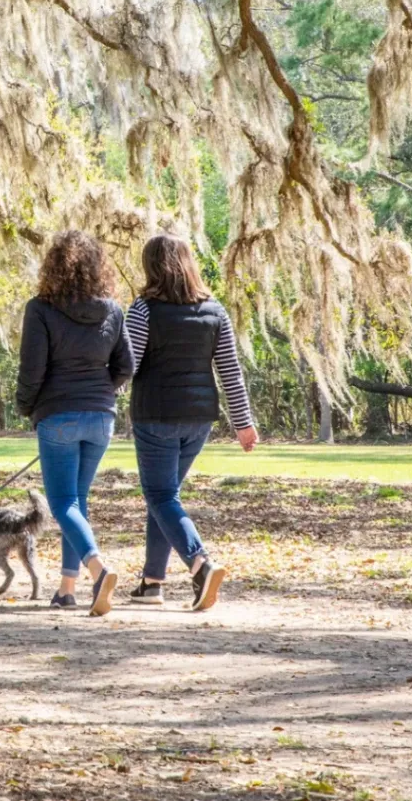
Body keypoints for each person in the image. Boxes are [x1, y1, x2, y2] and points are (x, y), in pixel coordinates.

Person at [125, 234, 259, 612]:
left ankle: (201, 564)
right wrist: (243, 423)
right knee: (165, 496)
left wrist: (95, 398)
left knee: (161, 496)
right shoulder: (214, 311)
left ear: (151, 266)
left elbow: (127, 366)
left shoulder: (143, 310)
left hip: (156, 416)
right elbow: (230, 371)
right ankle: (152, 582)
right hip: (199, 419)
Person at [16, 231, 134, 616]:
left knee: (62, 503)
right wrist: (99, 392)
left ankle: (98, 570)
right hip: (101, 418)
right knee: (76, 503)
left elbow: (32, 370)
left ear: (53, 266)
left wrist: (26, 406)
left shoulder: (40, 309)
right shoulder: (112, 310)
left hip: (59, 416)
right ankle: (67, 589)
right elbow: (126, 366)